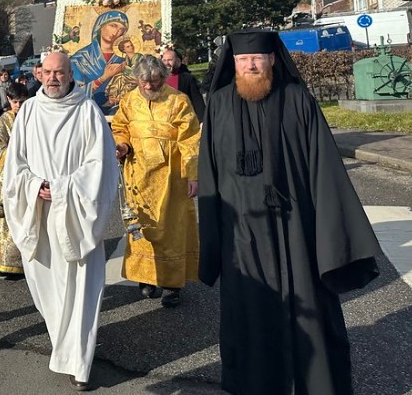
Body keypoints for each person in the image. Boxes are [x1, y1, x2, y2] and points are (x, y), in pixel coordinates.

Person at [199, 30, 381, 395]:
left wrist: (330, 236)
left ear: (272, 60)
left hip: (296, 229)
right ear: (232, 65)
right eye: (242, 60)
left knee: (310, 310)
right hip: (242, 237)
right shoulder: (217, 105)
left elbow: (325, 169)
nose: (251, 64)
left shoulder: (299, 100)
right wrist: (213, 240)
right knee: (249, 314)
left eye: (258, 58)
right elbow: (209, 176)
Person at [2, 51, 119, 391]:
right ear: (39, 74)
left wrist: (65, 188)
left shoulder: (87, 112)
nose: (53, 78)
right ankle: (65, 345)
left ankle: (79, 363)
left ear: (71, 75)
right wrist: (36, 186)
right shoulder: (29, 115)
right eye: (48, 72)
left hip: (76, 214)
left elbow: (100, 165)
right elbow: (15, 167)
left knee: (81, 288)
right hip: (38, 213)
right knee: (48, 288)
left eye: (60, 73)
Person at [111, 54, 200, 308]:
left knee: (172, 230)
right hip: (138, 175)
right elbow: (120, 127)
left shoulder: (179, 101)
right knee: (141, 230)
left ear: (163, 76)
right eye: (144, 82)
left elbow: (191, 140)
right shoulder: (129, 101)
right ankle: (146, 278)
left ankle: (172, 285)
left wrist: (192, 175)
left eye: (155, 81)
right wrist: (123, 145)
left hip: (170, 177)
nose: (149, 86)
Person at [0, 82, 28, 279]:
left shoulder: (32, 119)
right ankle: (5, 263)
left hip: (29, 177)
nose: (18, 106)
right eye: (15, 102)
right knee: (6, 220)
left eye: (22, 101)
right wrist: (15, 158)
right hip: (6, 178)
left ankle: (26, 262)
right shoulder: (2, 122)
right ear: (9, 101)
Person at [70, 10, 131, 114]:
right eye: (113, 25)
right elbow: (73, 94)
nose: (116, 32)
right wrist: (103, 78)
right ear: (100, 26)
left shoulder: (124, 59)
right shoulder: (79, 59)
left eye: (122, 29)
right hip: (87, 114)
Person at [161, 47, 206, 123]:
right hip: (163, 120)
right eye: (164, 60)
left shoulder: (188, 78)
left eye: (170, 60)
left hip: (183, 120)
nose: (166, 63)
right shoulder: (158, 78)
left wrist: (202, 121)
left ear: (178, 61)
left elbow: (197, 101)